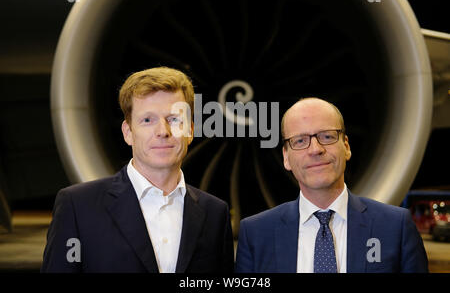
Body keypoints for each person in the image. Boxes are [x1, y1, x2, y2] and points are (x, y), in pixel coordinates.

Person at [42, 67, 234, 273]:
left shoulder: (215, 214)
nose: (163, 132)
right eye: (147, 120)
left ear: (190, 131)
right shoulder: (78, 208)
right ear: (128, 132)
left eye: (174, 119)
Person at [235, 97, 428, 273]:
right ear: (286, 157)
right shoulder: (256, 234)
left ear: (346, 146)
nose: (316, 149)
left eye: (327, 136)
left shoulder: (396, 227)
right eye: (300, 141)